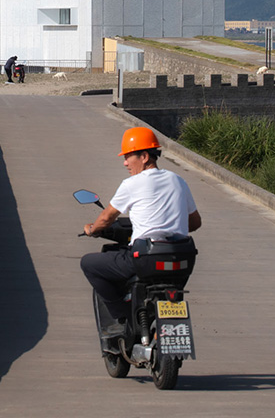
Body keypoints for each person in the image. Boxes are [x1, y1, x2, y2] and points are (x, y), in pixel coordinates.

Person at [80, 126, 201, 335]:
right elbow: (195, 223)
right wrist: (172, 223)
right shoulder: (178, 180)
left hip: (146, 257)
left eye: (128, 157)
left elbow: (107, 217)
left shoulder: (132, 184)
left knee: (88, 264)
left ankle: (122, 317)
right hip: (182, 258)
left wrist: (92, 229)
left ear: (144, 156)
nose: (125, 163)